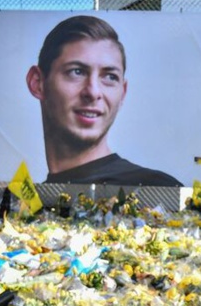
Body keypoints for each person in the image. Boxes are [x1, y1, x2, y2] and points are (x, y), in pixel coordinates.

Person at [26, 15, 182, 187]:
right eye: (76, 72)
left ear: (122, 93)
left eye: (110, 77)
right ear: (37, 83)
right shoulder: (26, 204)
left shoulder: (156, 190)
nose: (93, 92)